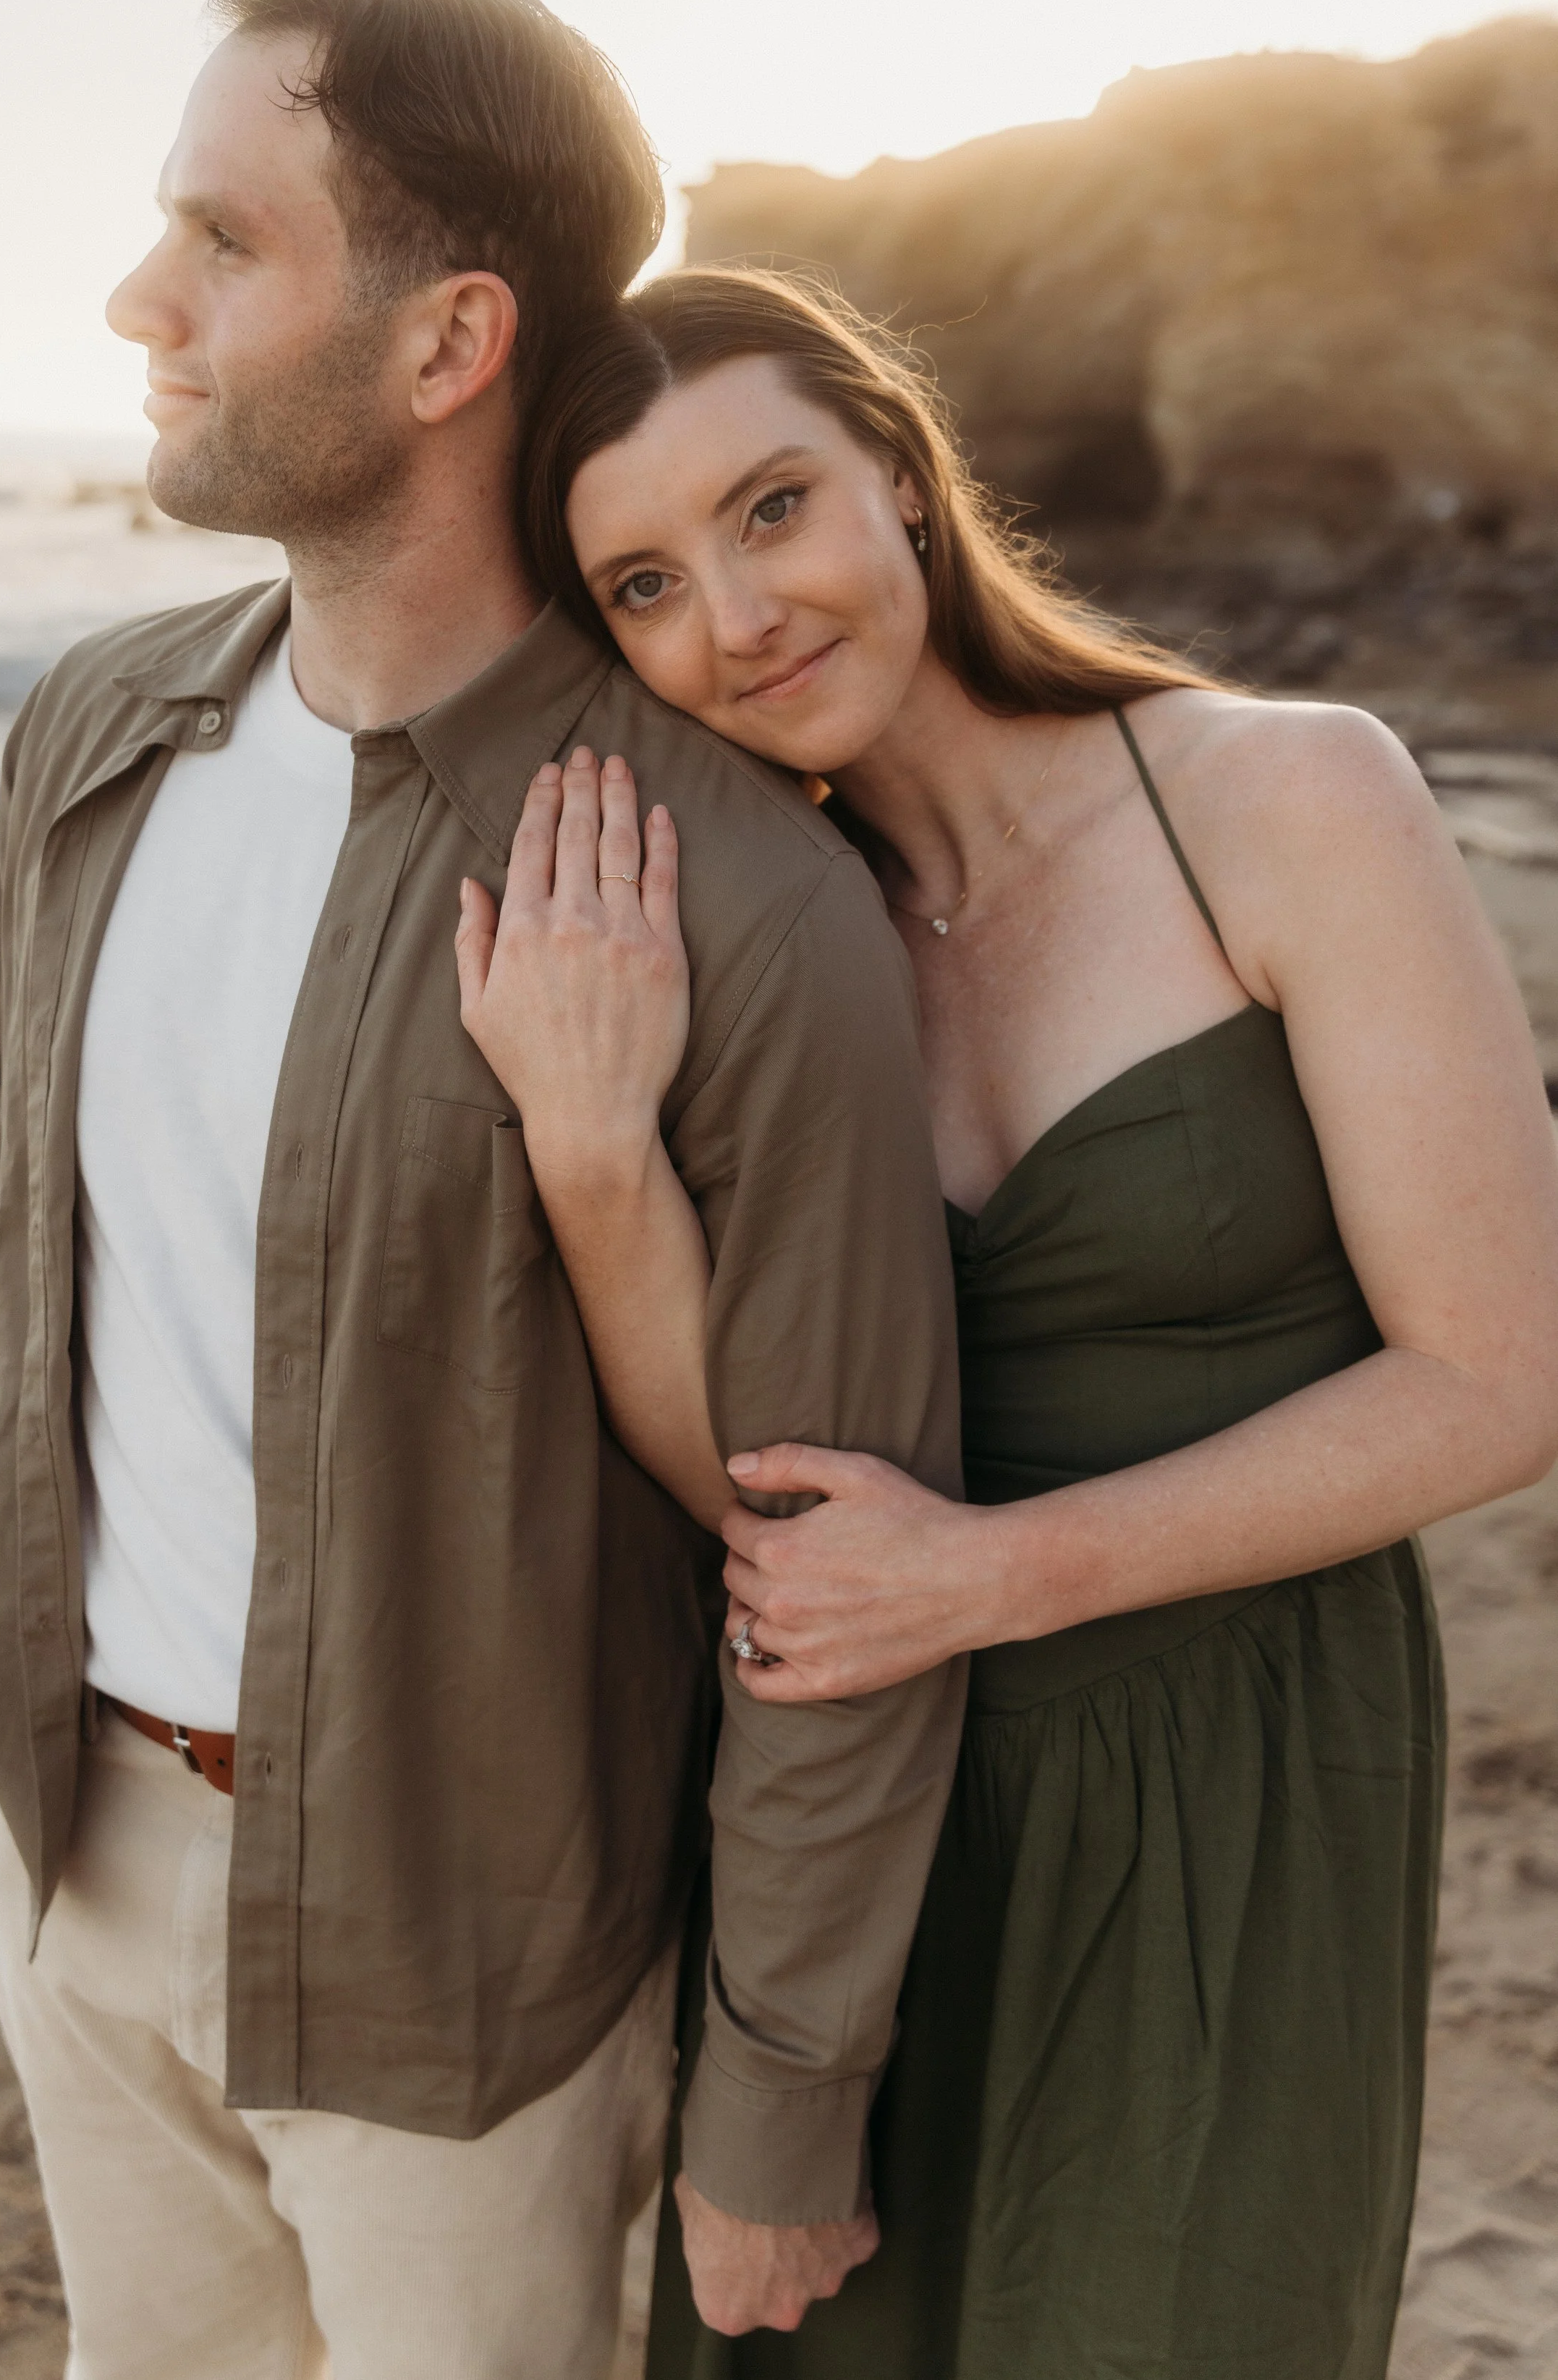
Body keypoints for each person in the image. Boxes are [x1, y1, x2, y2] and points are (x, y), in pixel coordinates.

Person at [0, 0, 970, 2379]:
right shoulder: (95, 725)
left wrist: (782, 2101)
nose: (136, 300)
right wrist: (22, 1645)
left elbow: (834, 1559)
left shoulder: (734, 892)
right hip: (72, 1856)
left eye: (219, 236)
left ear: (443, 342)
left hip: (473, 1965)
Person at [454, 266, 1558, 2375]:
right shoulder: (773, 938)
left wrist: (989, 1571)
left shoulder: (1279, 797)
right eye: (645, 583)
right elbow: (763, 1501)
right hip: (858, 1804)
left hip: (1226, 1774)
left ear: (894, 466)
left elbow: (1497, 1377)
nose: (737, 615)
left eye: (772, 506)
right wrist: (593, 1146)